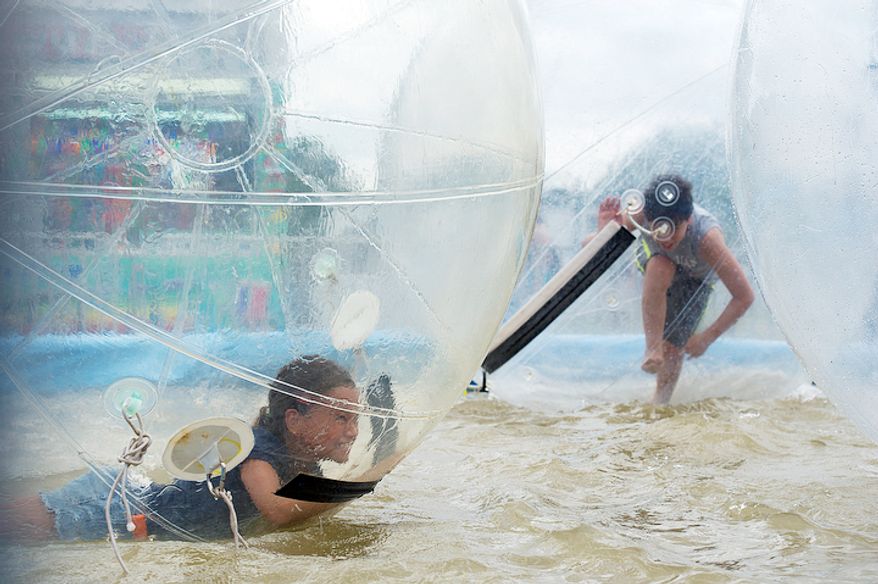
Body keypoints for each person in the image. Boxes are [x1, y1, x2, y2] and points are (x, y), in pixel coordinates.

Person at [1, 355, 363, 540]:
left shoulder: (308, 465)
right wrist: (357, 486)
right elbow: (277, 511)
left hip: (137, 501)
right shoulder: (259, 452)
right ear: (294, 420)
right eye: (340, 418)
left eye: (356, 418)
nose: (353, 431)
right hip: (120, 511)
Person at [598, 174, 755, 404]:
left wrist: (707, 338)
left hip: (696, 279)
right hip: (657, 264)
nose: (666, 238)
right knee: (662, 264)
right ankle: (652, 349)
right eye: (657, 229)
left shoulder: (706, 239)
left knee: (673, 347)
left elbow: (744, 296)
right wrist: (604, 230)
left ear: (688, 220)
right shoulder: (641, 214)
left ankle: (661, 402)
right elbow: (595, 249)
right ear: (648, 219)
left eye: (673, 228)